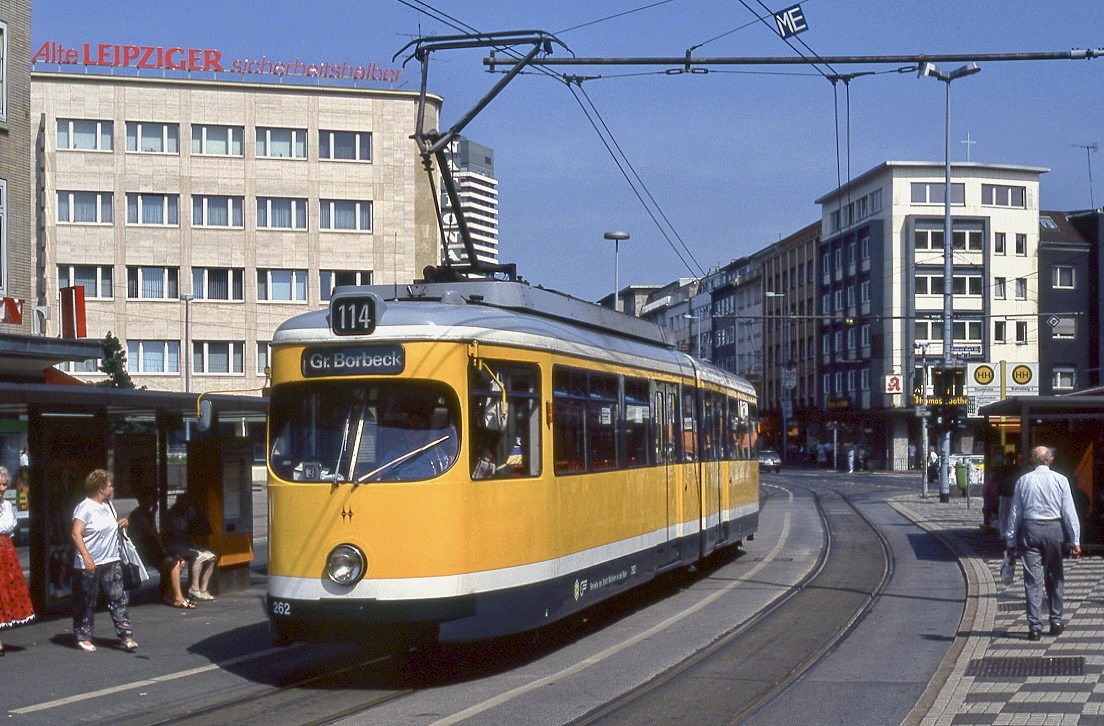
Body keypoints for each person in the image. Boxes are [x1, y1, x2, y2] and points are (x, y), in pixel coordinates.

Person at [1004, 445, 1082, 641]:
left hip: (1029, 529)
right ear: (1050, 460)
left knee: (1032, 580)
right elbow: (1069, 513)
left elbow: (1015, 513)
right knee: (1055, 575)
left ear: (1031, 461)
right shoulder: (1061, 480)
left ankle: (1035, 627)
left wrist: (1010, 541)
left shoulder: (1023, 481)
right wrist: (1075, 541)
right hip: (1054, 529)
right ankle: (1055, 621)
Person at [70, 469, 138, 652]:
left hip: (111, 559)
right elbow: (76, 533)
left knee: (118, 597)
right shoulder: (85, 507)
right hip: (90, 562)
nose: (112, 488)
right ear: (101, 488)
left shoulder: (108, 505)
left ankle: (126, 635)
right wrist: (86, 556)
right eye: (110, 485)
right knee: (86, 600)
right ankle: (83, 635)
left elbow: (107, 528)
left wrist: (120, 523)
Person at [128, 489, 193, 609]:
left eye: (151, 500)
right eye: (146, 500)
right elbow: (152, 534)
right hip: (143, 550)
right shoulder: (138, 515)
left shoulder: (147, 514)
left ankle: (169, 593)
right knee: (172, 563)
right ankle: (178, 597)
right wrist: (164, 551)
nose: (149, 502)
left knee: (180, 562)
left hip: (152, 549)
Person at [0, 466, 35, 655]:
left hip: (6, 552)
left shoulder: (7, 506)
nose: (2, 488)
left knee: (5, 591)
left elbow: (9, 528)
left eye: (4, 484)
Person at [164, 494, 217, 602]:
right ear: (178, 504)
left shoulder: (190, 512)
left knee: (212, 557)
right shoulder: (170, 515)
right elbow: (169, 532)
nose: (185, 507)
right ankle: (194, 588)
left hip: (187, 542)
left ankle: (203, 590)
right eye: (183, 504)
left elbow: (199, 526)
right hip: (174, 543)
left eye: (187, 505)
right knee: (197, 555)